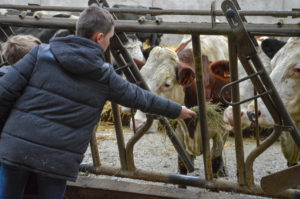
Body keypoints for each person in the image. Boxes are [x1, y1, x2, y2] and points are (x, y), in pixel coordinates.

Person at [0, 5, 196, 199]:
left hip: (16, 150)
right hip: (56, 162)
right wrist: (176, 109)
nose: (109, 43)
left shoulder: (40, 53)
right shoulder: (105, 76)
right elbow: (140, 97)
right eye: (110, 38)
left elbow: (4, 92)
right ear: (99, 37)